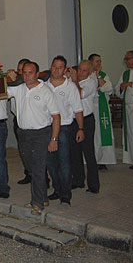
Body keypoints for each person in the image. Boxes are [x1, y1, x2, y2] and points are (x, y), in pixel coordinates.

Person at [6, 62, 60, 215]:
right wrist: (5, 79)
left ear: (37, 74)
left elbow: (56, 117)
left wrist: (54, 139)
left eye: (30, 73)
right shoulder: (19, 88)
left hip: (41, 134)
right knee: (30, 168)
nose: (27, 76)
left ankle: (37, 203)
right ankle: (43, 197)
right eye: (24, 73)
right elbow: (0, 95)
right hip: (23, 134)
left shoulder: (46, 91)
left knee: (37, 169)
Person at [44, 56, 83, 206]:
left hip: (64, 128)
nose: (56, 70)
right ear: (51, 67)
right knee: (50, 162)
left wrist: (80, 129)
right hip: (47, 127)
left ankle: (66, 195)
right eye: (54, 67)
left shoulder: (70, 87)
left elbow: (78, 109)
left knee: (64, 162)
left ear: (65, 69)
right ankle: (57, 189)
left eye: (60, 67)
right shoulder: (44, 85)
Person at [71, 59, 100, 194]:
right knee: (74, 152)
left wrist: (75, 80)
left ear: (90, 72)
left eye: (84, 71)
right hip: (73, 120)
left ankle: (94, 185)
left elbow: (79, 94)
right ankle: (78, 180)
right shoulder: (72, 81)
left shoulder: (91, 82)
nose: (81, 73)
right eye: (79, 70)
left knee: (88, 152)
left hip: (86, 120)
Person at [88, 53, 116, 168]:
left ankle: (103, 160)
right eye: (97, 61)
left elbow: (108, 88)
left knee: (102, 135)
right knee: (93, 136)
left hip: (102, 108)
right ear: (91, 63)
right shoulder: (86, 75)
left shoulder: (104, 75)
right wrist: (100, 88)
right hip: (91, 108)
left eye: (100, 61)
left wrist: (99, 76)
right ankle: (92, 159)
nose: (99, 63)